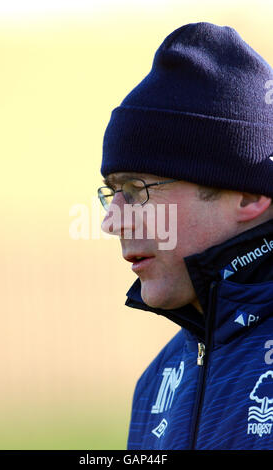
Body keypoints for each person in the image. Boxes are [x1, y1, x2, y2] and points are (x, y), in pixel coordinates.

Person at [98, 22, 273, 450]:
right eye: (112, 192)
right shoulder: (156, 384)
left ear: (250, 194)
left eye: (138, 191)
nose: (111, 221)